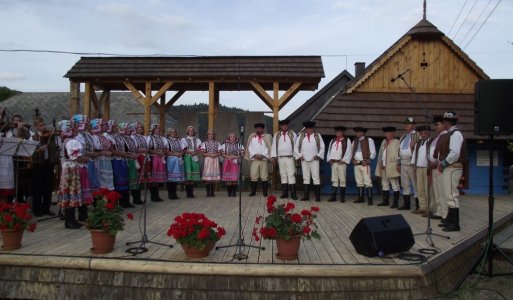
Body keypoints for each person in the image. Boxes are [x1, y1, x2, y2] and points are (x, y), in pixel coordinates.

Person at [437, 112, 466, 232]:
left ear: (447, 123)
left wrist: (443, 163)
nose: (442, 123)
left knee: (451, 195)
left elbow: (454, 153)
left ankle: (455, 224)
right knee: (446, 193)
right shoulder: (450, 134)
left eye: (443, 121)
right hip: (449, 168)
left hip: (452, 167)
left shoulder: (455, 134)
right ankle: (449, 220)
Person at [29, 117, 60, 216]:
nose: (43, 127)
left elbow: (55, 147)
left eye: (44, 125)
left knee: (48, 187)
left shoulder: (50, 136)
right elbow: (30, 153)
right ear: (36, 126)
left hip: (48, 163)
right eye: (40, 125)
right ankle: (37, 209)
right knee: (37, 188)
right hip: (38, 165)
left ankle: (46, 208)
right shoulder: (33, 138)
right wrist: (38, 150)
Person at [294, 121, 325, 202]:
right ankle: (306, 196)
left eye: (311, 128)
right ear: (305, 129)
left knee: (316, 177)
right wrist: (299, 156)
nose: (309, 130)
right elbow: (296, 147)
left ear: (313, 128)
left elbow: (322, 147)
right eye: (308, 128)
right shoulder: (301, 136)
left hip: (314, 160)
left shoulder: (317, 136)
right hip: (304, 160)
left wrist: (318, 155)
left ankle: (317, 197)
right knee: (306, 177)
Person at [270, 119, 298, 200]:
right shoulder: (277, 134)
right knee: (283, 174)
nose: (284, 127)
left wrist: (296, 157)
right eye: (283, 125)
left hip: (290, 157)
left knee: (291, 174)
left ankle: (293, 194)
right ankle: (284, 193)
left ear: (287, 126)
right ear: (280, 126)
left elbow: (296, 146)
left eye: (286, 125)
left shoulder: (292, 134)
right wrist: (274, 158)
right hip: (280, 158)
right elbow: (274, 146)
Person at [375, 126, 400, 207]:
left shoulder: (396, 142)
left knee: (395, 185)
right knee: (385, 184)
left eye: (389, 132)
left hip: (392, 166)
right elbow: (381, 154)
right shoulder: (383, 142)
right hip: (383, 166)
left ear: (393, 133)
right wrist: (380, 163)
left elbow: (398, 155)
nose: (387, 134)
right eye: (386, 133)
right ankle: (385, 201)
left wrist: (398, 164)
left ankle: (395, 202)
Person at [398, 117, 419, 210]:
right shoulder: (403, 136)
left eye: (409, 124)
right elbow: (399, 150)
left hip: (412, 162)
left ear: (413, 125)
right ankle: (406, 204)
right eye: (405, 124)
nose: (406, 125)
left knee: (415, 183)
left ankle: (418, 205)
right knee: (405, 183)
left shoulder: (418, 135)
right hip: (403, 161)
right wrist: (398, 162)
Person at [326, 126, 352, 202]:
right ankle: (333, 197)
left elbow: (349, 151)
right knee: (334, 179)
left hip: (341, 163)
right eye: (337, 132)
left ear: (343, 132)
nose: (338, 133)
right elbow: (329, 150)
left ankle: (342, 198)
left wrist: (344, 160)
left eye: (340, 132)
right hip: (333, 163)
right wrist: (329, 159)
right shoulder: (333, 140)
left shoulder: (347, 140)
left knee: (342, 179)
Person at [245, 123, 272, 197]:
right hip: (255, 159)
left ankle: (265, 193)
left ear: (263, 129)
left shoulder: (267, 137)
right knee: (253, 175)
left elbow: (269, 147)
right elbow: (249, 147)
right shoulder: (252, 137)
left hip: (263, 159)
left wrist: (262, 155)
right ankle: (253, 192)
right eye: (257, 128)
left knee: (264, 176)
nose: (258, 129)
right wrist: (254, 155)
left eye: (260, 128)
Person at [428, 116, 446, 221]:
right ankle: (439, 210)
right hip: (433, 167)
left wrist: (436, 162)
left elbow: (443, 152)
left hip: (439, 167)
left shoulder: (445, 136)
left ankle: (443, 212)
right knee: (436, 190)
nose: (435, 127)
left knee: (441, 189)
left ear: (443, 125)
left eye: (437, 124)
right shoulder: (437, 137)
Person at [352, 127, 376, 204]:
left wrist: (368, 160)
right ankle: (360, 198)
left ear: (362, 133)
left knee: (368, 181)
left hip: (365, 163)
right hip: (357, 164)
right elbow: (351, 152)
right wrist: (353, 160)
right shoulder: (354, 141)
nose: (357, 133)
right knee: (359, 181)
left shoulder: (369, 140)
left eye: (358, 132)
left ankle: (370, 199)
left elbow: (373, 152)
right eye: (356, 132)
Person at [411, 125, 431, 216]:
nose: (423, 135)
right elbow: (414, 155)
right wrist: (414, 167)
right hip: (419, 167)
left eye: (425, 133)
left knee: (428, 189)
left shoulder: (431, 142)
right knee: (420, 189)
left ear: (428, 133)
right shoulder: (418, 143)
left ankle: (429, 208)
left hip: (427, 168)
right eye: (421, 133)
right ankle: (422, 207)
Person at [119, 122, 141, 204]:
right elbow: (122, 151)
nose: (130, 130)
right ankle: (125, 201)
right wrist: (130, 155)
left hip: (132, 160)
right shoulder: (121, 139)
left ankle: (136, 199)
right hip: (126, 161)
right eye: (127, 128)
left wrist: (135, 154)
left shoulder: (131, 138)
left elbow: (134, 149)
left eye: (129, 128)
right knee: (127, 181)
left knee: (134, 181)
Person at [90, 119, 114, 192]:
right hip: (99, 161)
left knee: (106, 180)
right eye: (102, 125)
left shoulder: (105, 137)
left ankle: (107, 198)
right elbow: (94, 150)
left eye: (105, 125)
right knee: (100, 179)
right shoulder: (94, 137)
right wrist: (103, 153)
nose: (105, 127)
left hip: (106, 161)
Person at [146, 124, 167, 202]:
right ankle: (153, 196)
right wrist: (158, 153)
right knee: (153, 178)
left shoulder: (162, 138)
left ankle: (157, 195)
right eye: (156, 129)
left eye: (159, 129)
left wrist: (163, 153)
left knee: (158, 179)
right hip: (153, 158)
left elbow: (165, 148)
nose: (158, 130)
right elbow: (148, 149)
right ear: (153, 130)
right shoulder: (150, 138)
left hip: (160, 158)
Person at [130, 122, 149, 204]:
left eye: (141, 127)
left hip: (144, 157)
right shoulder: (132, 137)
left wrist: (145, 150)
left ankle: (139, 198)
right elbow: (134, 149)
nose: (140, 129)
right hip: (138, 158)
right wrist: (142, 150)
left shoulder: (143, 137)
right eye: (138, 128)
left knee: (142, 179)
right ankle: (135, 198)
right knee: (137, 178)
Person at [164, 128, 185, 200]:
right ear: (169, 133)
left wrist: (180, 154)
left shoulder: (179, 141)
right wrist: (175, 154)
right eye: (172, 132)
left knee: (175, 178)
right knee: (170, 178)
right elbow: (166, 151)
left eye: (175, 132)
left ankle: (174, 194)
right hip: (171, 160)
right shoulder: (167, 141)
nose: (174, 133)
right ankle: (170, 194)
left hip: (178, 159)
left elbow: (183, 150)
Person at [200, 130, 222, 197]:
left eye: (212, 134)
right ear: (207, 135)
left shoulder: (217, 143)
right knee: (208, 177)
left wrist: (215, 155)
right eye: (209, 134)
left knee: (213, 178)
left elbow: (220, 151)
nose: (211, 136)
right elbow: (203, 153)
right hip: (208, 160)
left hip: (215, 159)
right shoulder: (204, 143)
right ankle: (208, 192)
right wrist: (210, 155)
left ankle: (212, 192)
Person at [182, 126, 202, 198]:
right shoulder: (184, 139)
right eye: (189, 130)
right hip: (187, 157)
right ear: (187, 131)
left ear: (194, 132)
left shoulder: (197, 140)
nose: (191, 132)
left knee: (192, 175)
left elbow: (200, 148)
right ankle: (188, 193)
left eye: (192, 130)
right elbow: (183, 148)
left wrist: (195, 153)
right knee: (188, 175)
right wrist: (191, 152)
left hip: (194, 157)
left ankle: (191, 193)